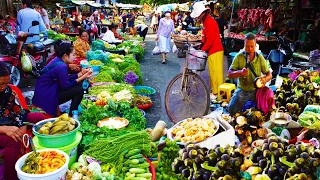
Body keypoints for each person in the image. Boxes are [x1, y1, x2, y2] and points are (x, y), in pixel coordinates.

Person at [0, 62, 45, 180]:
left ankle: (38, 150)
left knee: (38, 118)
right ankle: (11, 176)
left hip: (10, 121)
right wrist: (4, 129)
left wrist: (22, 130)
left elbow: (19, 111)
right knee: (13, 141)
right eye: (1, 84)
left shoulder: (7, 91)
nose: (4, 87)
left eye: (6, 83)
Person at [33, 43, 93, 117]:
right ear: (65, 55)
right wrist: (83, 77)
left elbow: (65, 79)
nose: (75, 57)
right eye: (73, 55)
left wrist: (80, 74)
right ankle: (73, 115)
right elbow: (66, 86)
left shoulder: (57, 60)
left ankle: (73, 113)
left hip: (44, 92)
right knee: (79, 90)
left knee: (77, 86)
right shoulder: (61, 67)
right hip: (46, 96)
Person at [227, 33, 272, 115]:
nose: (250, 49)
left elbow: (269, 74)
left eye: (252, 46)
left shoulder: (260, 58)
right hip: (243, 90)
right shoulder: (239, 57)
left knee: (265, 110)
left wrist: (264, 79)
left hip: (256, 90)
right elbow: (229, 74)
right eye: (247, 46)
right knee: (231, 109)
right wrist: (240, 72)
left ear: (255, 46)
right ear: (244, 45)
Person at [191, 2, 224, 98]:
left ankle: (217, 93)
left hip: (216, 50)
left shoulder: (210, 21)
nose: (197, 17)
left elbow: (210, 40)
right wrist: (200, 46)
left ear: (202, 13)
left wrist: (202, 49)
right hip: (212, 50)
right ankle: (215, 92)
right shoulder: (205, 21)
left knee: (216, 73)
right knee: (213, 72)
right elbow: (205, 38)